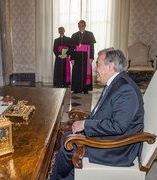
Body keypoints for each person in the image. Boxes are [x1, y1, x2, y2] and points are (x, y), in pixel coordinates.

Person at [50, 48, 144, 180]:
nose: (94, 69)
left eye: (98, 64)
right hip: (112, 137)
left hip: (118, 147)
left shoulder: (125, 89)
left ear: (110, 67)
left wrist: (86, 124)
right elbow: (104, 113)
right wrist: (86, 126)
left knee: (68, 145)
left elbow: (118, 126)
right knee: (67, 137)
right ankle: (66, 176)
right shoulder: (115, 83)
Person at [70, 20, 96, 94]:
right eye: (79, 26)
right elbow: (72, 48)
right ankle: (76, 88)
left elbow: (92, 47)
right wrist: (72, 58)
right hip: (77, 57)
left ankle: (86, 89)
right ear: (78, 26)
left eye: (82, 25)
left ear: (85, 25)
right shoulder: (74, 35)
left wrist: (91, 57)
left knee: (86, 72)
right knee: (76, 72)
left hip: (86, 57)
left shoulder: (90, 34)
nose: (81, 27)